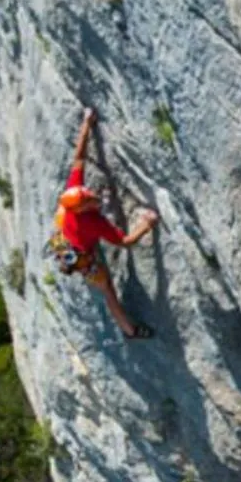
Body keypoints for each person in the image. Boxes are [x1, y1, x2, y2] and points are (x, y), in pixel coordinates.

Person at [54, 108, 160, 339]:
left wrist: (87, 123)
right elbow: (125, 241)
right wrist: (147, 224)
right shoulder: (93, 222)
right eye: (88, 199)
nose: (91, 194)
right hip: (81, 256)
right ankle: (130, 330)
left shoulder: (73, 192)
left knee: (62, 218)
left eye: (87, 193)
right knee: (108, 289)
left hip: (64, 241)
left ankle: (68, 260)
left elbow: (79, 157)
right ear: (82, 208)